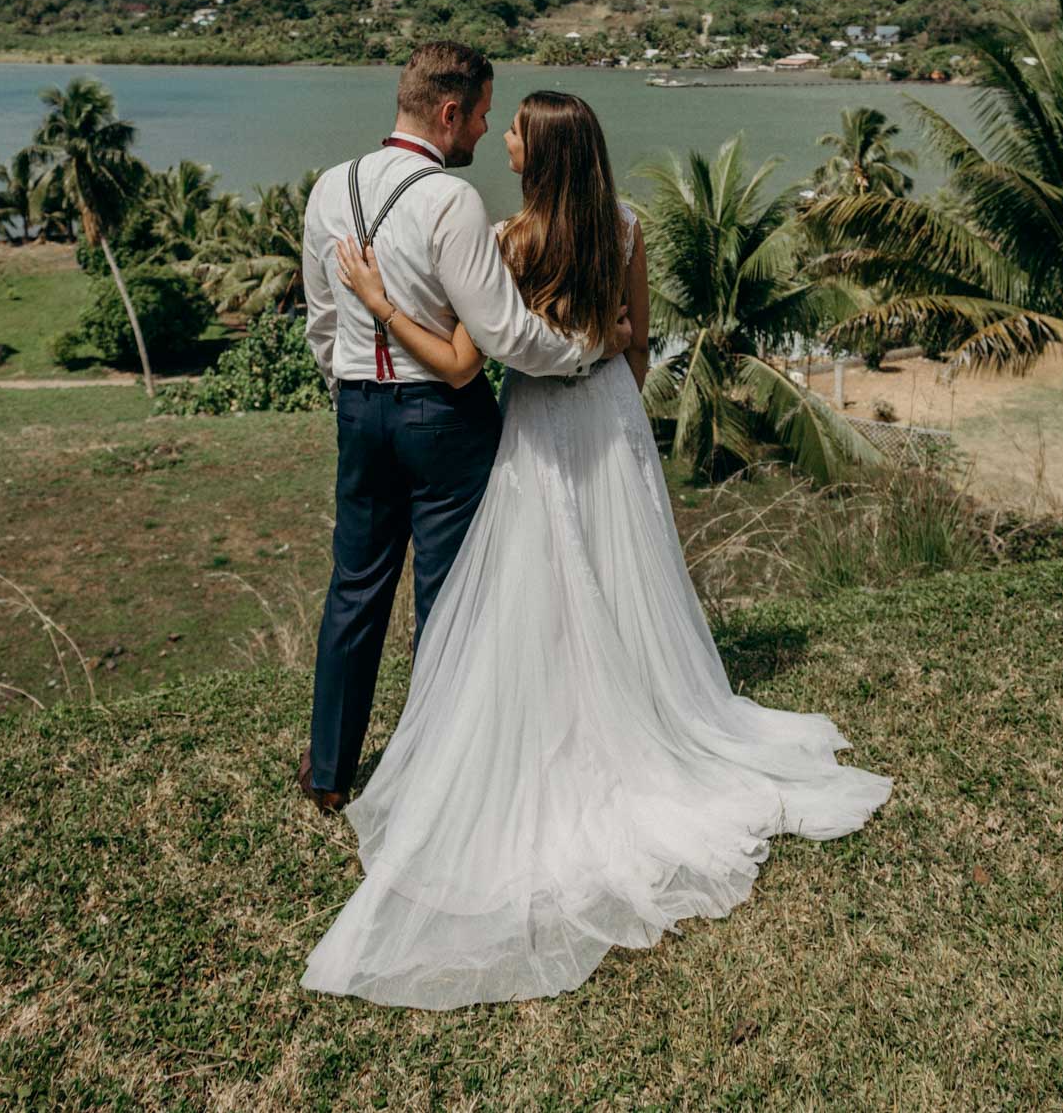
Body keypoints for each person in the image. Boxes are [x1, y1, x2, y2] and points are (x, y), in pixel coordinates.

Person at [301, 89, 892, 1009]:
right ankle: (637, 696)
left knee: (540, 578)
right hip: (611, 419)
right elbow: (638, 345)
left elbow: (477, 357)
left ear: (539, 154)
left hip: (538, 425)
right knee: (621, 573)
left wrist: (377, 299)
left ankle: (524, 718)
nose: (501, 140)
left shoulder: (508, 240)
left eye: (515, 134)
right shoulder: (625, 225)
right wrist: (607, 381)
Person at [298, 44, 628, 814]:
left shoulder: (325, 189)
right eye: (482, 114)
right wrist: (587, 352)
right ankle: (436, 770)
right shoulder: (452, 203)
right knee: (449, 599)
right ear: (449, 112)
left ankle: (328, 771)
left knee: (355, 588)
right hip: (445, 420)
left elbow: (320, 321)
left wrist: (356, 387)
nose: (485, 130)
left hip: (359, 410)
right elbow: (507, 337)